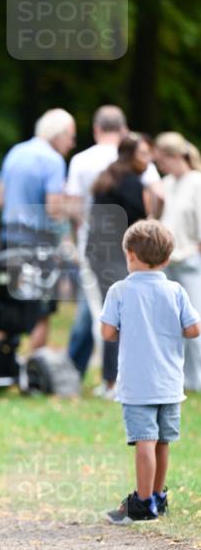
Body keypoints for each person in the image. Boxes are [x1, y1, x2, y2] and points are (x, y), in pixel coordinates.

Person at [100, 220, 200, 524]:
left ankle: (142, 504)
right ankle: (157, 497)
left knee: (144, 440)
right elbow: (193, 329)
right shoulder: (176, 290)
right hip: (170, 382)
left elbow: (107, 333)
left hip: (137, 384)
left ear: (130, 255)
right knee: (162, 441)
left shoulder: (119, 290)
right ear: (167, 259)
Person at [65, 106, 160, 378]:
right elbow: (157, 195)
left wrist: (78, 232)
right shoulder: (135, 164)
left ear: (96, 129)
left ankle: (79, 369)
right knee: (112, 311)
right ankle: (108, 374)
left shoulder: (82, 161)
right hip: (127, 250)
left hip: (93, 244)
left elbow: (72, 206)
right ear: (123, 129)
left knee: (96, 308)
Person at [0, 108, 76, 350]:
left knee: (8, 301)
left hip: (9, 239)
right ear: (58, 134)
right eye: (70, 136)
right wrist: (66, 238)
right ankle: (34, 366)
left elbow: (0, 199)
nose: (72, 143)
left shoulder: (15, 152)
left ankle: (0, 361)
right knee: (41, 307)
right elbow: (54, 208)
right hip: (38, 243)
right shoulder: (53, 161)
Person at [86, 132, 152, 398]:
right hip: (116, 256)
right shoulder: (131, 183)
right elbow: (141, 224)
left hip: (97, 254)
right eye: (144, 154)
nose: (148, 160)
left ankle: (109, 380)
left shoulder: (108, 177)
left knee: (112, 315)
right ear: (131, 155)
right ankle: (116, 382)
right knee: (123, 318)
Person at [149, 132, 201, 391]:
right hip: (167, 263)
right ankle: (177, 378)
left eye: (162, 161)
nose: (160, 166)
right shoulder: (166, 184)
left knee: (193, 321)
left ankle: (198, 377)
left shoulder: (196, 182)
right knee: (169, 325)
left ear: (174, 156)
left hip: (190, 261)